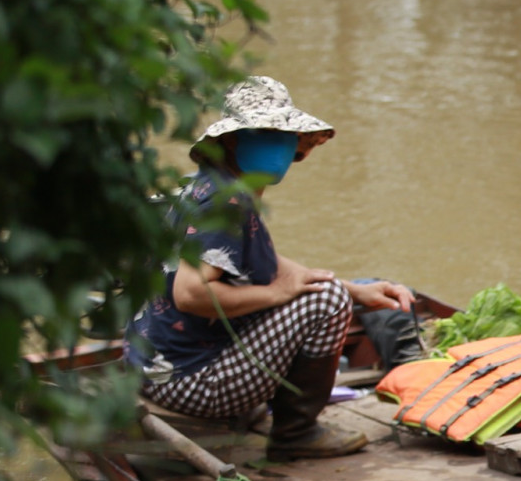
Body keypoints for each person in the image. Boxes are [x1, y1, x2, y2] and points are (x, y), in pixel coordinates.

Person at [126, 76, 418, 458]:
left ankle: (272, 414)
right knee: (328, 302)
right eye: (264, 134)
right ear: (232, 140)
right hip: (189, 381)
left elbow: (261, 264)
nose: (280, 146)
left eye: (284, 135)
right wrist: (284, 293)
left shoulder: (210, 187)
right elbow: (191, 293)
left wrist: (356, 289)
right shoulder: (224, 205)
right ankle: (295, 433)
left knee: (330, 290)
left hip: (154, 368)